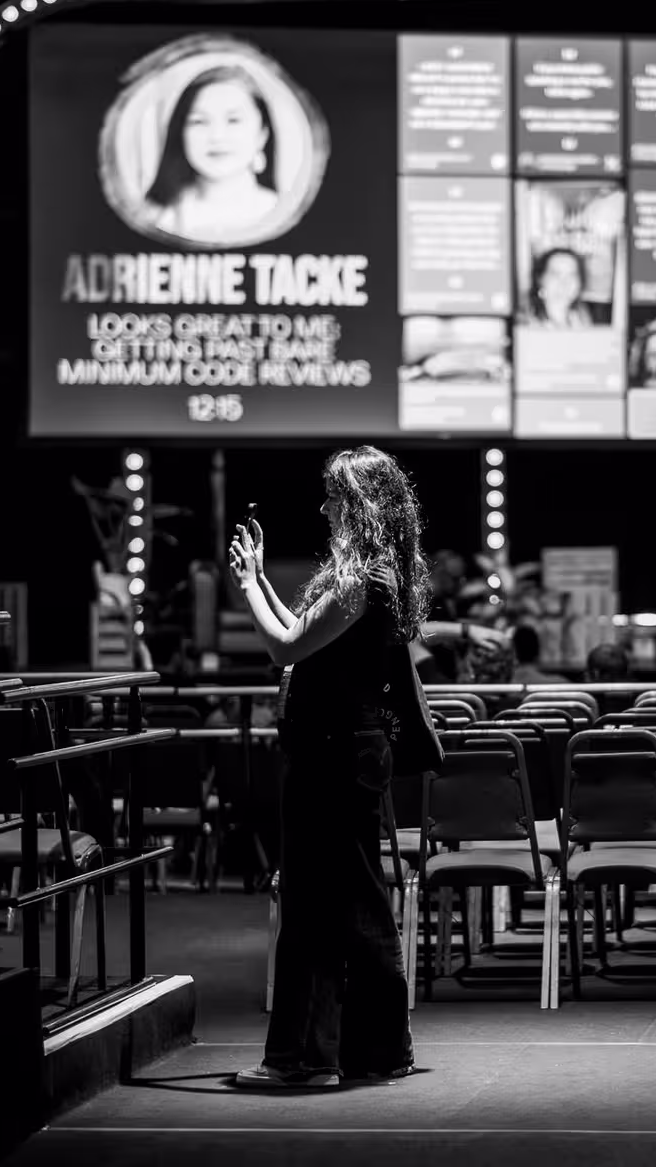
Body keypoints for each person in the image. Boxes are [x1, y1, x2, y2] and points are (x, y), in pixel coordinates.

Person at [225, 446, 425, 1087]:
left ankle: (305, 1059)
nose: (324, 508)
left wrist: (248, 588)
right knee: (355, 903)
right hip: (348, 751)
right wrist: (260, 581)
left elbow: (285, 646)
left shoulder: (359, 580)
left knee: (313, 907)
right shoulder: (374, 576)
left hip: (330, 753)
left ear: (360, 504)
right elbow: (305, 643)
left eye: (334, 496)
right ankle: (377, 1051)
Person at [143, 64, 281, 246]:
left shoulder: (279, 212)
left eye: (233, 120)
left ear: (262, 134)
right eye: (199, 121)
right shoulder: (155, 217)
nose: (217, 136)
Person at [524, 248, 596, 329]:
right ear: (540, 279)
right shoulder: (525, 323)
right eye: (556, 274)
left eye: (572, 274)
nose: (564, 282)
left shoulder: (582, 318)